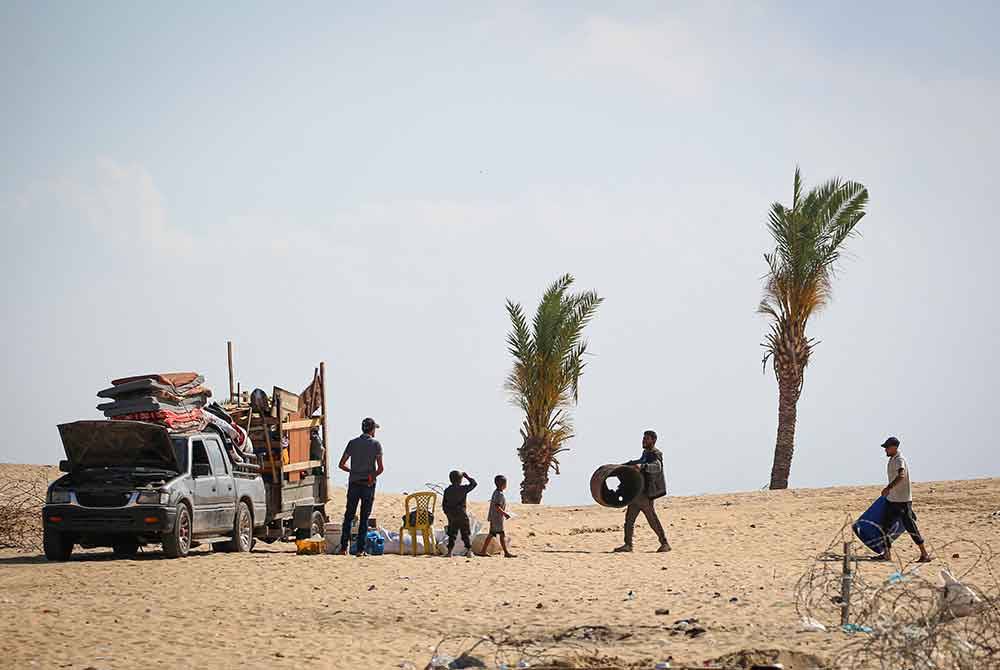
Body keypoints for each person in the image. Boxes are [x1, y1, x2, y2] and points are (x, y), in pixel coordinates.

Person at [614, 430, 671, 553]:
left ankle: (665, 543)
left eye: (646, 438)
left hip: (646, 494)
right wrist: (629, 464)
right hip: (637, 493)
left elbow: (657, 466)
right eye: (643, 438)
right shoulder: (646, 452)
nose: (643, 440)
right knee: (629, 519)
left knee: (652, 519)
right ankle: (628, 545)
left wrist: (643, 466)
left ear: (653, 440)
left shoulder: (656, 453)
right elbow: (641, 462)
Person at [878, 436, 931, 563]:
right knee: (884, 527)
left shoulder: (899, 460)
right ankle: (887, 554)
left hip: (902, 501)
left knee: (910, 527)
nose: (885, 450)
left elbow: (901, 475)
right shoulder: (891, 460)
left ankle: (925, 554)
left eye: (887, 448)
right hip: (892, 500)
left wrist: (888, 487)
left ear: (894, 448)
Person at [337, 417, 384, 556]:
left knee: (349, 516)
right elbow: (380, 468)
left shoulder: (352, 443)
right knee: (364, 518)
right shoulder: (376, 444)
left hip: (354, 483)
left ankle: (343, 548)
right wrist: (372, 476)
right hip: (368, 484)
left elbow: (341, 464)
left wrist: (353, 471)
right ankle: (360, 550)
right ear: (372, 429)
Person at [442, 470, 477, 557]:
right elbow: (474, 484)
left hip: (452, 515)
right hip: (462, 515)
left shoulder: (447, 490)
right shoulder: (463, 489)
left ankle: (449, 552)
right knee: (465, 534)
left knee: (452, 534)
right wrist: (467, 477)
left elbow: (444, 504)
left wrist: (448, 514)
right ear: (460, 480)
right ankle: (469, 551)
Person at [480, 475, 516, 558]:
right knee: (501, 534)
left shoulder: (496, 492)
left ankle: (483, 550)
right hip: (497, 518)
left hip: (495, 517)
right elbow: (497, 506)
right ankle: (506, 553)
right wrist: (505, 514)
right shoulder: (499, 494)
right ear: (502, 484)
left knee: (492, 534)